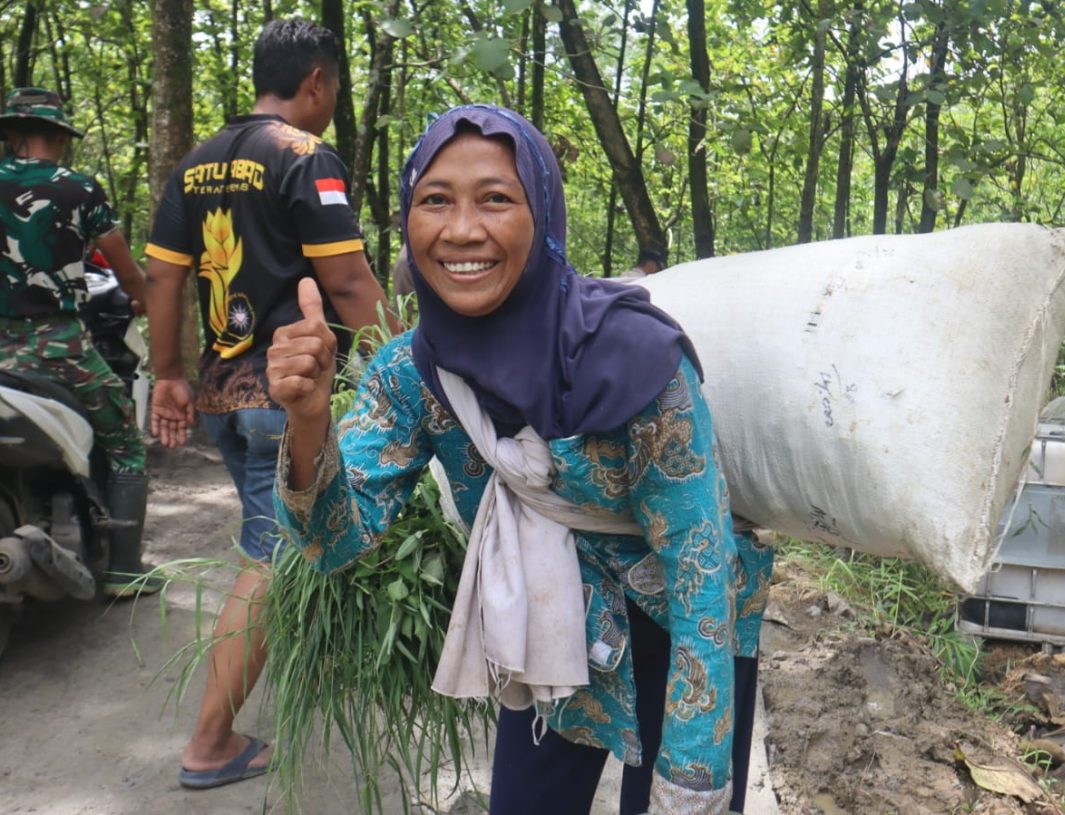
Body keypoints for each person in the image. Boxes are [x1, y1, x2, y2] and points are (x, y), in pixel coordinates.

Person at [268, 104, 772, 814]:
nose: (463, 229)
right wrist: (310, 420)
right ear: (408, 226)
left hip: (681, 633)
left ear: (542, 218)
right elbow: (331, 540)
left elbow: (701, 572)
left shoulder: (632, 361)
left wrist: (691, 780)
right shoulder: (410, 376)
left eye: (496, 199)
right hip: (550, 630)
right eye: (435, 200)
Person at [143, 18, 393, 790]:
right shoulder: (303, 157)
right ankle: (209, 742)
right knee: (271, 558)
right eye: (335, 88)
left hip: (223, 394)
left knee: (275, 543)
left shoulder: (195, 163)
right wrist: (403, 368)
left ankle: (236, 716)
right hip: (287, 397)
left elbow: (164, 278)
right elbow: (348, 283)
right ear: (316, 81)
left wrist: (169, 373)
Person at [0, 87, 159, 598]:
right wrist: (145, 301)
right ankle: (126, 569)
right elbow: (125, 268)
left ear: (14, 133)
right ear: (58, 138)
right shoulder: (79, 188)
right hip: (60, 347)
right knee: (127, 446)